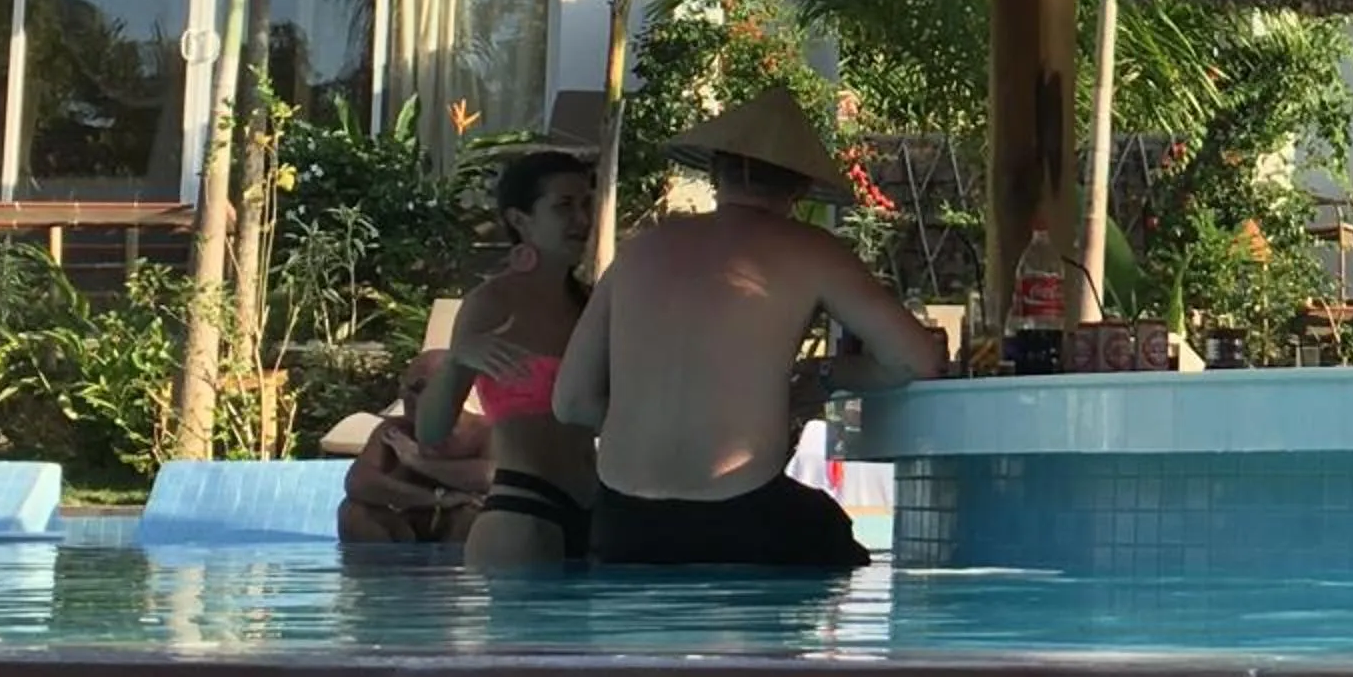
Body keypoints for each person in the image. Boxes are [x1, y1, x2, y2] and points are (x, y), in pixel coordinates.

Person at [555, 86, 950, 568]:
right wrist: (826, 374)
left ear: (716, 171)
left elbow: (571, 402)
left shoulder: (641, 249)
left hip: (622, 522)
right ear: (801, 187)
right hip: (742, 517)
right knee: (837, 540)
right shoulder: (812, 250)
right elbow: (918, 359)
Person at [417, 149, 601, 567]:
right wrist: (459, 360)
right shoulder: (492, 303)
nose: (582, 220)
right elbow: (430, 431)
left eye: (586, 203)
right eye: (564, 206)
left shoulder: (590, 303)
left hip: (596, 510)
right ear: (520, 221)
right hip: (524, 509)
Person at [336, 350, 491, 546]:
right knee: (353, 513)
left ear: (454, 392)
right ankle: (384, 574)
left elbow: (490, 477)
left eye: (418, 388)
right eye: (404, 387)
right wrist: (438, 499)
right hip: (406, 526)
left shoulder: (484, 431)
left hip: (457, 530)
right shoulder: (395, 431)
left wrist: (419, 462)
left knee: (474, 515)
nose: (405, 397)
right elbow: (358, 483)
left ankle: (451, 573)